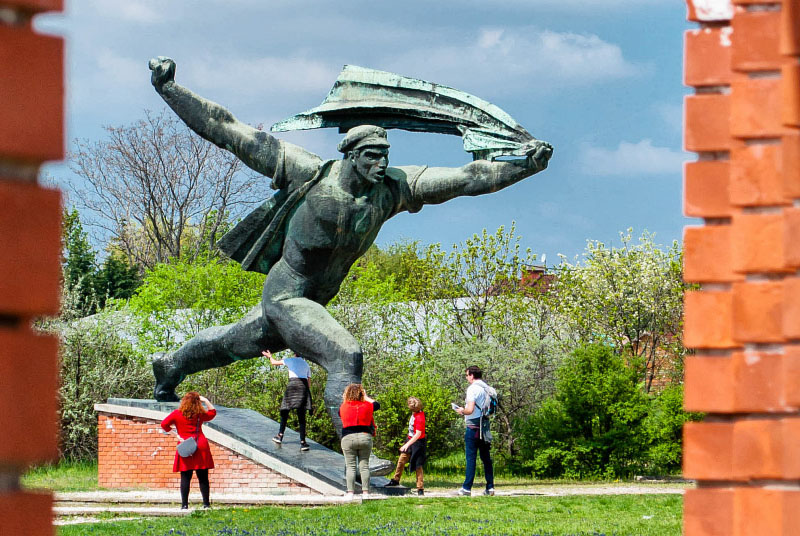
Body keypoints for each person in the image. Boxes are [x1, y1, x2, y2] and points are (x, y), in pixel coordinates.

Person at [147, 57, 553, 436]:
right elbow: (227, 129)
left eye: (385, 156)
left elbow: (467, 177)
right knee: (345, 356)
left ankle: (170, 365)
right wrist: (169, 89)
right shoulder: (307, 173)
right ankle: (352, 447)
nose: (381, 164)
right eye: (373, 157)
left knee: (227, 345)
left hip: (313, 303)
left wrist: (525, 165)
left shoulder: (392, 189)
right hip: (287, 295)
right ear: (351, 155)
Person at [160, 392, 217, 509]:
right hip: (200, 445)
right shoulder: (200, 414)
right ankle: (206, 504)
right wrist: (205, 400)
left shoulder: (177, 414)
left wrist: (176, 435)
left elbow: (164, 424)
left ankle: (184, 505)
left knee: (185, 476)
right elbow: (213, 413)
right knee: (203, 477)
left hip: (185, 444)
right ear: (197, 402)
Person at [454, 366, 494, 496]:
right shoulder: (486, 387)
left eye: (467, 375)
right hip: (485, 426)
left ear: (471, 375)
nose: (466, 378)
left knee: (471, 458)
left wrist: (461, 410)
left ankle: (466, 488)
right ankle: (490, 487)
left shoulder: (472, 389)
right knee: (486, 458)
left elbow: (470, 410)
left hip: (473, 427)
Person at [264, 349, 312, 451]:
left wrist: (270, 356)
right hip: (303, 387)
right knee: (301, 416)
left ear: (295, 353)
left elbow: (273, 363)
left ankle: (280, 435)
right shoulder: (306, 364)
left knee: (285, 411)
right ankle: (303, 442)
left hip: (292, 385)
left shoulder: (290, 360)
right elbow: (309, 383)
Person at [339, 383, 380, 499]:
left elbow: (340, 414)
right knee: (364, 466)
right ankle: (366, 493)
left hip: (348, 438)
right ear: (362, 394)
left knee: (351, 466)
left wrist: (345, 398)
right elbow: (377, 404)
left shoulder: (343, 406)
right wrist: (365, 397)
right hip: (365, 437)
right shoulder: (367, 405)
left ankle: (350, 493)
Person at [386, 396, 426, 496]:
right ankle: (396, 480)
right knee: (402, 459)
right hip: (410, 439)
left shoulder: (420, 417)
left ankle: (420, 488)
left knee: (418, 465)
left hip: (418, 443)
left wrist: (407, 445)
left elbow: (418, 434)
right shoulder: (415, 413)